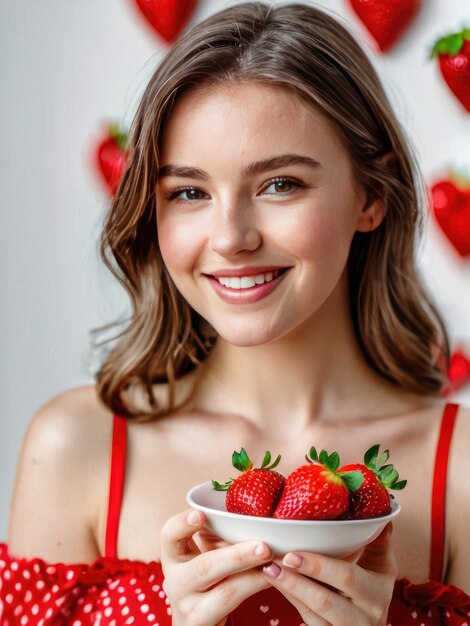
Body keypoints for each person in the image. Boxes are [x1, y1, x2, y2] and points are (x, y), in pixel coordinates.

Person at [1, 2, 469, 624]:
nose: (230, 238)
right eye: (189, 193)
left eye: (280, 184)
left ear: (372, 196)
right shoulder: (73, 448)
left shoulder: (461, 469)